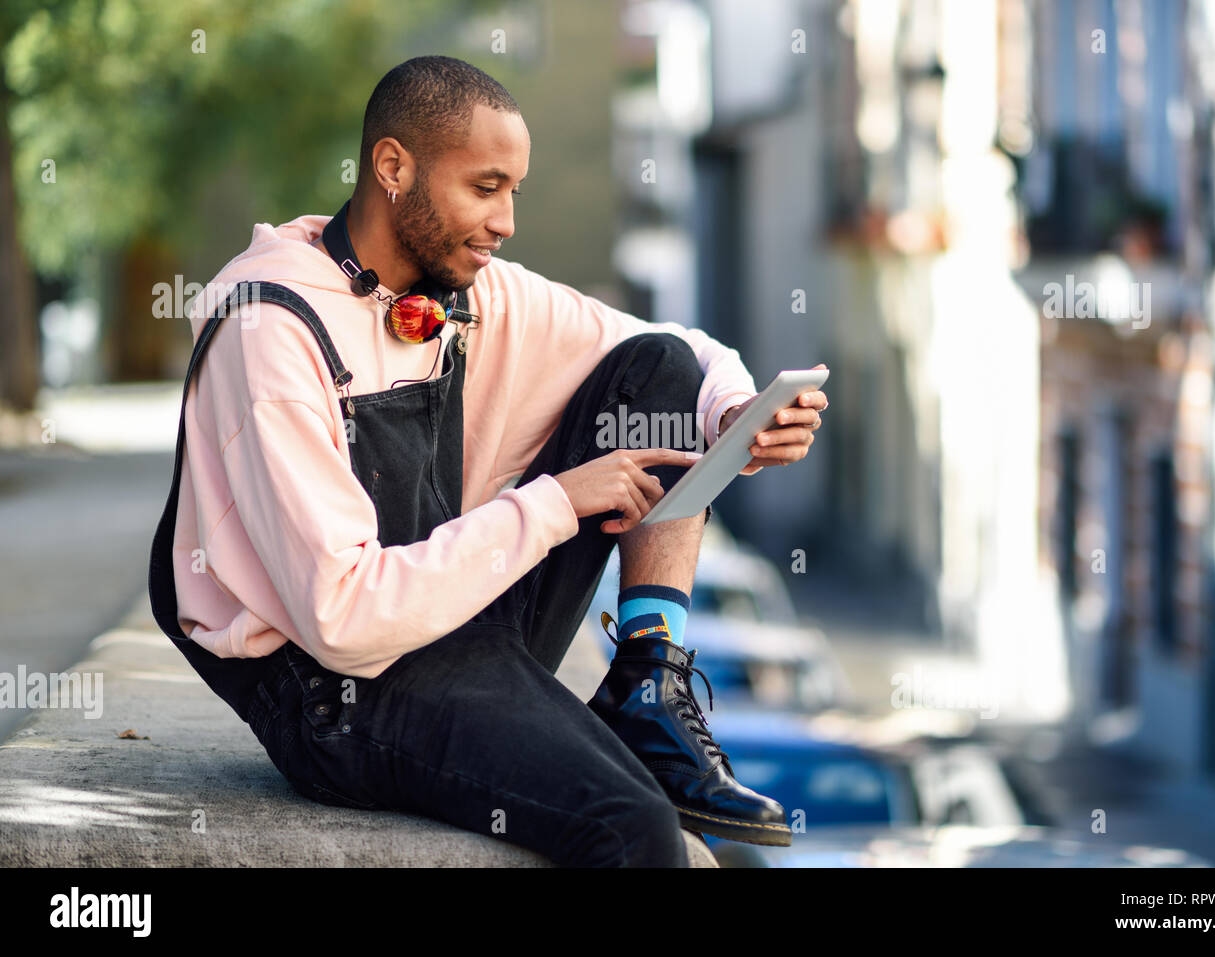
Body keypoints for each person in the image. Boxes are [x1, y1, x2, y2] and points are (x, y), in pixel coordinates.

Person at [147, 55, 829, 867]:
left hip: (454, 630)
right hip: (340, 691)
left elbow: (687, 351)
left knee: (658, 372)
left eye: (516, 192)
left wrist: (736, 414)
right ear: (393, 167)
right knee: (634, 827)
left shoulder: (471, 292)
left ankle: (649, 690)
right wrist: (556, 502)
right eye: (485, 187)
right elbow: (342, 620)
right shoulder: (273, 329)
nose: (505, 220)